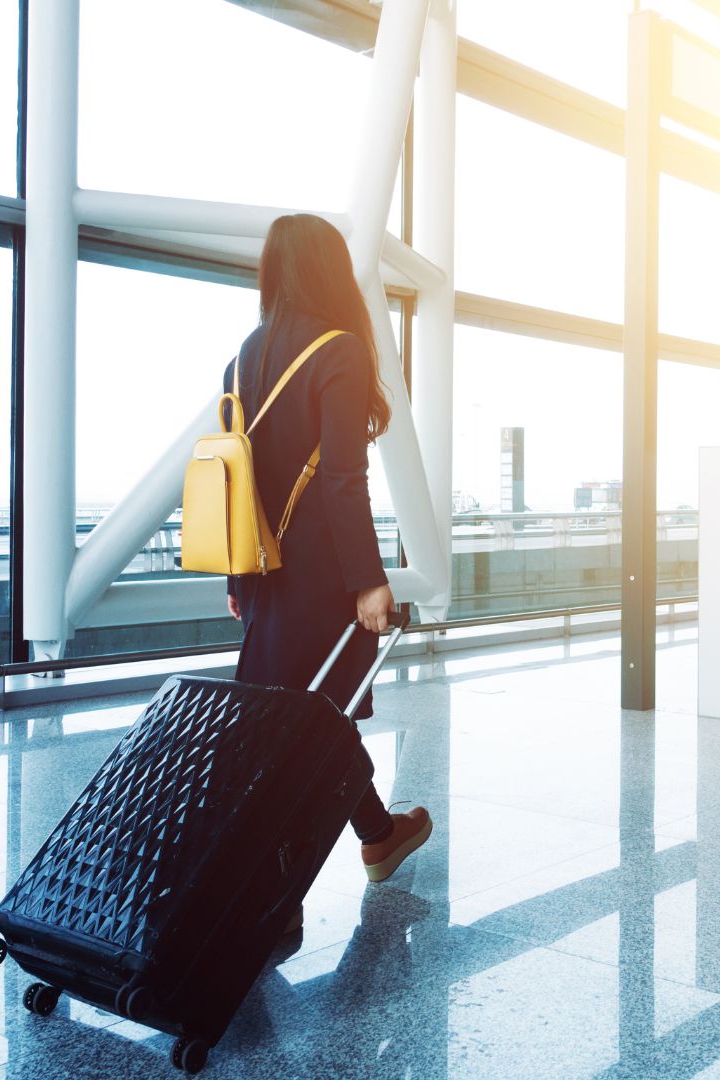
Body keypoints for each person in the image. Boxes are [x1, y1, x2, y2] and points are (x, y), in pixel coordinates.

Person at [222, 214, 433, 918]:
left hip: (263, 577)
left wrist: (238, 580)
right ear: (328, 270)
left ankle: (374, 838)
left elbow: (237, 488)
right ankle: (286, 886)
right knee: (318, 723)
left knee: (301, 722)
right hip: (319, 578)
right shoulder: (339, 351)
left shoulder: (242, 359)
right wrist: (368, 580)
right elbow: (343, 477)